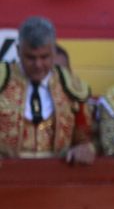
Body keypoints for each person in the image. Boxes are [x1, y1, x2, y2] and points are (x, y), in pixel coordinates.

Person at [0, 16, 94, 165]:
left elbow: (85, 137)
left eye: (44, 57)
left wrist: (85, 148)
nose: (38, 64)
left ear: (54, 52)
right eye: (30, 57)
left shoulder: (70, 85)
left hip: (58, 176)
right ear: (18, 51)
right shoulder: (2, 81)